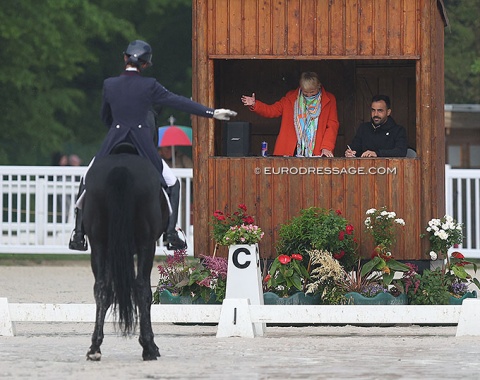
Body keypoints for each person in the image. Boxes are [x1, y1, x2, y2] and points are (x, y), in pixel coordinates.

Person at [69, 39, 237, 251]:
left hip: (113, 140)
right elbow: (178, 101)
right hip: (142, 144)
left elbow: (105, 117)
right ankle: (170, 233)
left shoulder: (109, 84)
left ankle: (78, 234)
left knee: (87, 177)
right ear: (146, 64)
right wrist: (211, 112)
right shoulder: (150, 86)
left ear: (124, 58)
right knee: (173, 183)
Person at [241, 71, 339, 157]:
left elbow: (332, 125)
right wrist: (255, 104)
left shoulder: (329, 99)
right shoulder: (291, 98)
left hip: (317, 150)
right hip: (290, 151)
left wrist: (327, 147)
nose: (309, 95)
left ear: (319, 86)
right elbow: (272, 111)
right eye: (305, 92)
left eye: (312, 92)